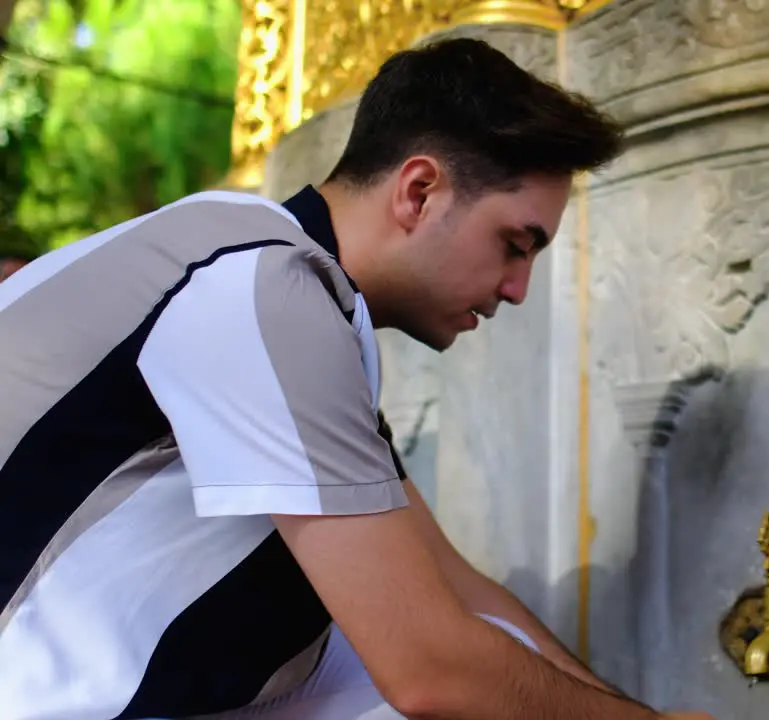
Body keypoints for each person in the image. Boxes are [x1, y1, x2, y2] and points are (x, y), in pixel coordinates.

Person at [0, 38, 715, 720]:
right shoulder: (254, 284)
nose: (518, 288)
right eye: (514, 244)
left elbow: (453, 585)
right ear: (420, 191)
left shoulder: (273, 276)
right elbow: (429, 671)